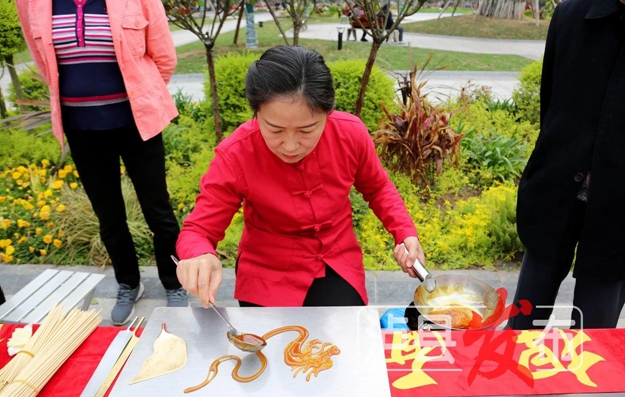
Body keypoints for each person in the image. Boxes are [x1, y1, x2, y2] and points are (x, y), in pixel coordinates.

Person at [176, 46, 425, 308]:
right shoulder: (237, 153)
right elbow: (198, 230)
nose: (291, 145)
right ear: (257, 114)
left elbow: (378, 188)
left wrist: (405, 232)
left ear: (327, 113)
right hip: (267, 274)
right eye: (275, 130)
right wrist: (199, 254)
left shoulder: (350, 134)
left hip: (336, 261)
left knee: (345, 340)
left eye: (307, 130)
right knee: (269, 345)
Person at [16, 0, 188, 325]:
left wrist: (141, 96)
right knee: (108, 215)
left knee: (158, 210)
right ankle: (128, 283)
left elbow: (164, 57)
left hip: (139, 123)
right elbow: (43, 62)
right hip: (82, 129)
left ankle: (175, 282)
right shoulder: (31, 3)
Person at [508, 0, 625, 330]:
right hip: (555, 194)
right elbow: (551, 106)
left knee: (594, 342)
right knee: (522, 327)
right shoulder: (571, 14)